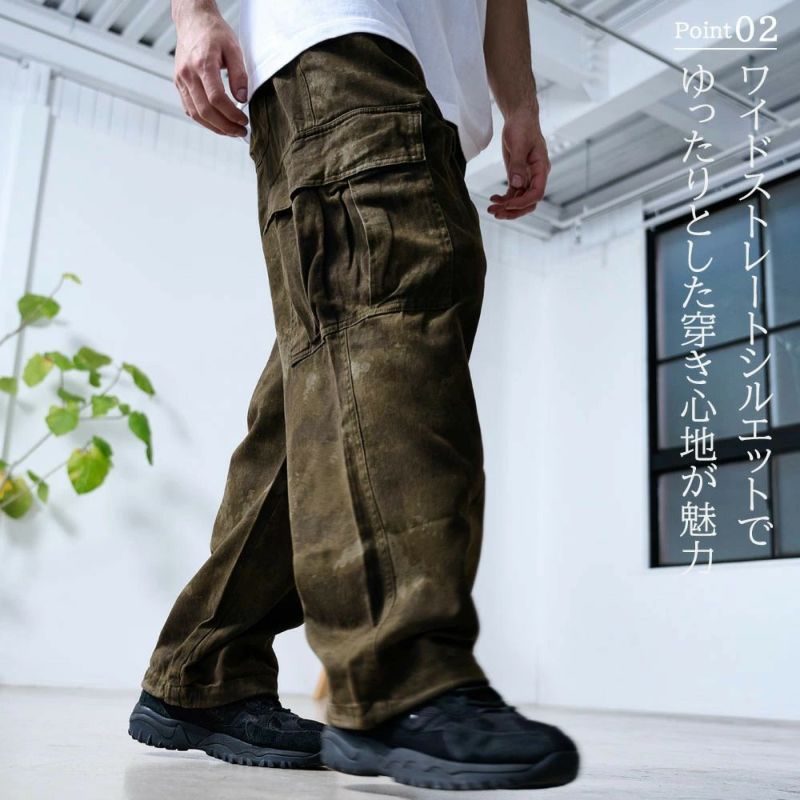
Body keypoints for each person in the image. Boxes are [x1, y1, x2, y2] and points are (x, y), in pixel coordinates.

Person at [128, 0, 579, 790]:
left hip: (425, 92)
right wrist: (195, 14)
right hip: (342, 36)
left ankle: (206, 667)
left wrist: (520, 106)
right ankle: (398, 680)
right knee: (393, 311)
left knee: (319, 382)